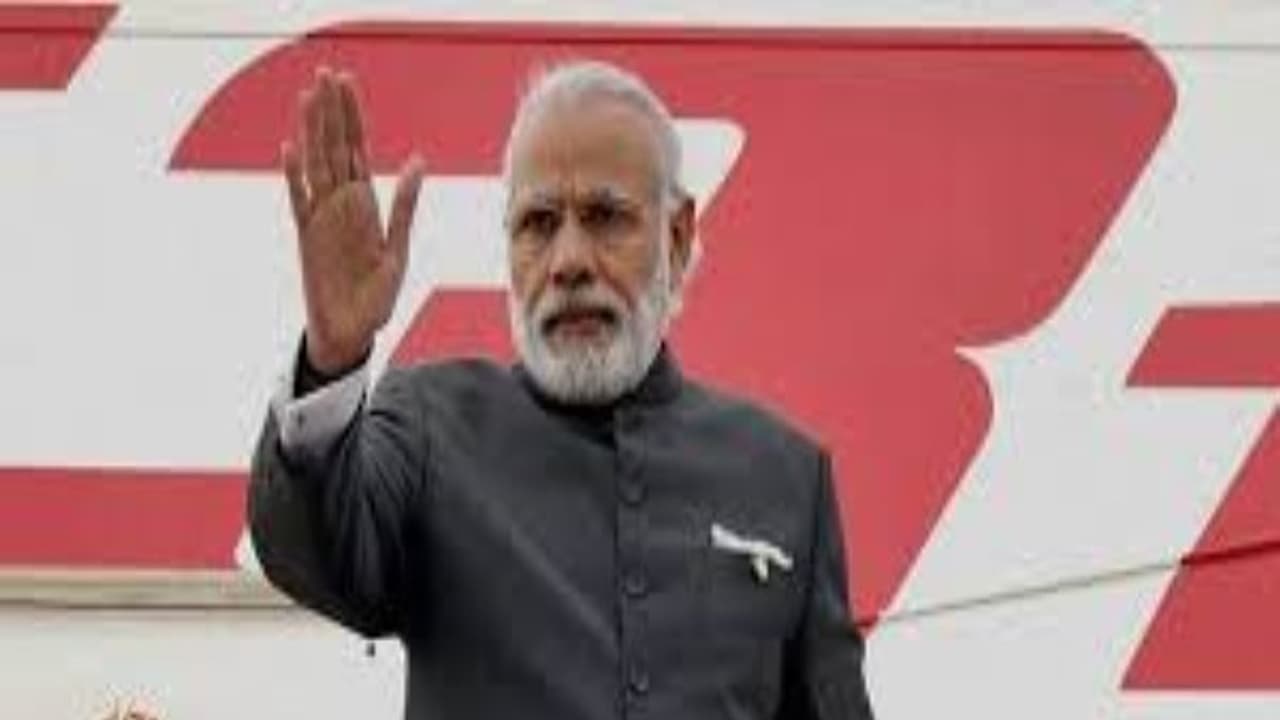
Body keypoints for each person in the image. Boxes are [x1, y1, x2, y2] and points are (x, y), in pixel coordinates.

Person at [248, 59, 875, 719]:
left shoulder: (785, 476)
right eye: (539, 223)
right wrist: (333, 360)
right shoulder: (433, 428)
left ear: (677, 236)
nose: (569, 261)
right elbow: (315, 555)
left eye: (605, 217)